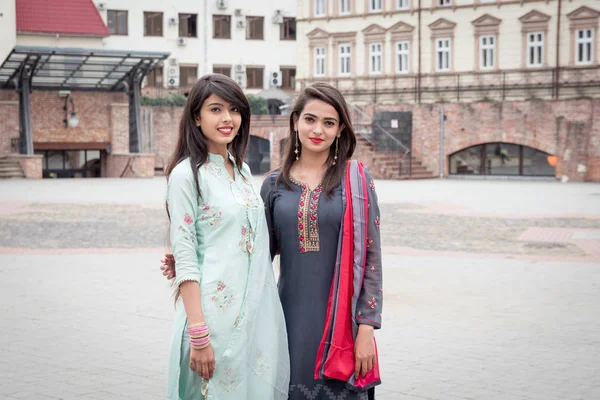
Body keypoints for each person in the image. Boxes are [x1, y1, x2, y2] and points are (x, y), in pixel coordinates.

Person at [162, 82, 383, 400]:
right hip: (284, 318)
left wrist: (366, 328)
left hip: (343, 323)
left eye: (329, 122)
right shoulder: (272, 185)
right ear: (295, 121)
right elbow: (254, 246)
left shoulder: (357, 180)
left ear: (340, 130)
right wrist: (187, 258)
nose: (317, 129)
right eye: (310, 119)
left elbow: (371, 259)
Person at [163, 74, 289, 400]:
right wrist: (200, 336)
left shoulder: (243, 171)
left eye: (234, 110)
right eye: (215, 109)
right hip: (211, 320)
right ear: (196, 116)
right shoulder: (186, 175)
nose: (227, 119)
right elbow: (188, 252)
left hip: (250, 316)